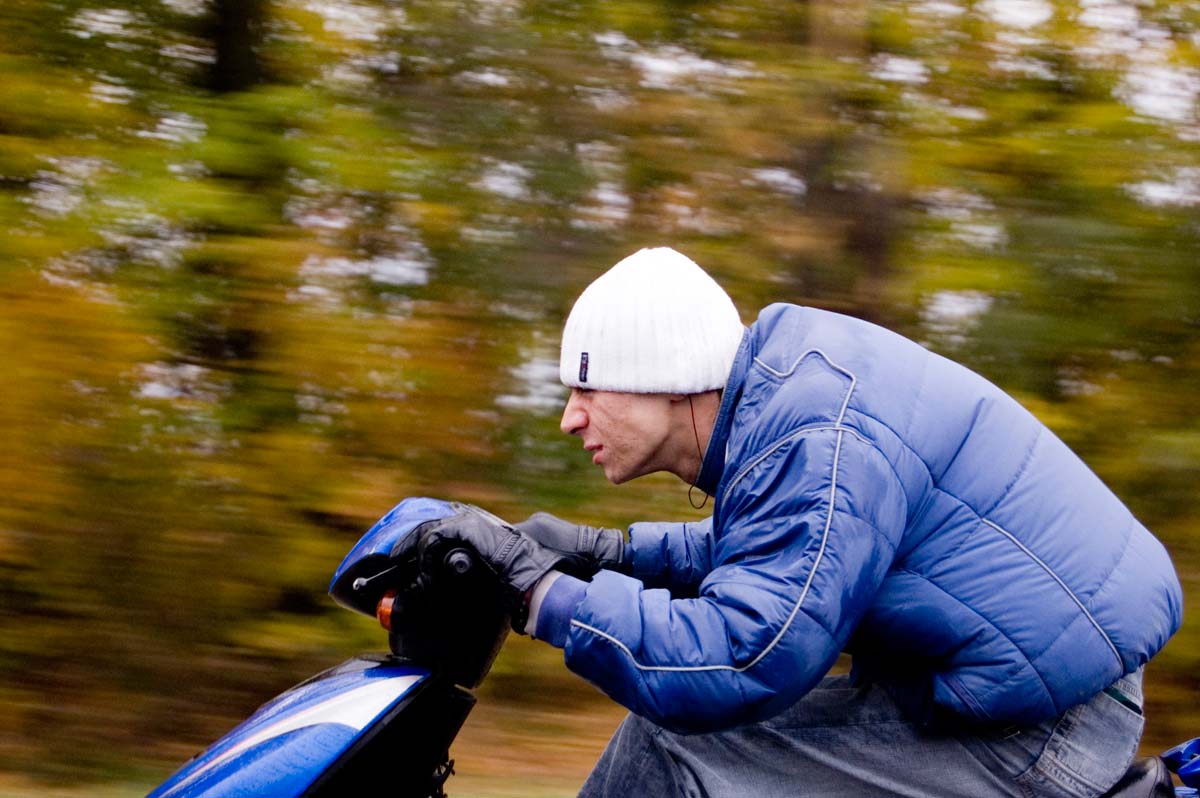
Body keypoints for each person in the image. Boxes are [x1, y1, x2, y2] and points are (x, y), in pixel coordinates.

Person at [419, 246, 1183, 798]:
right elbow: (783, 551)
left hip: (1047, 733)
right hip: (1024, 696)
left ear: (661, 377)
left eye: (587, 387)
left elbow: (745, 659)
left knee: (678, 746)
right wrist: (608, 554)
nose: (569, 418)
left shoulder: (815, 436)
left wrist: (542, 595)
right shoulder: (786, 403)